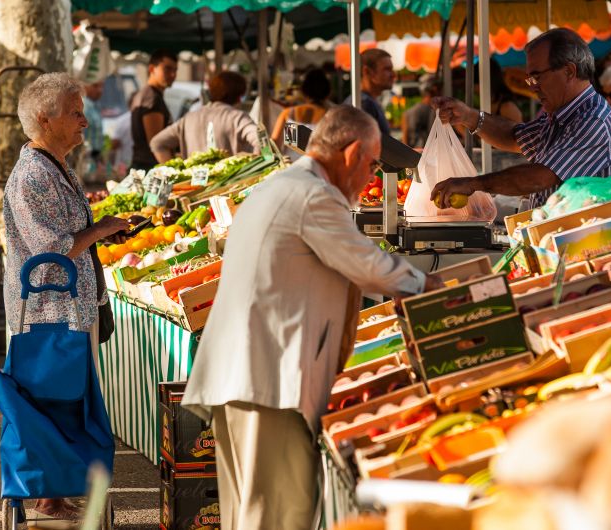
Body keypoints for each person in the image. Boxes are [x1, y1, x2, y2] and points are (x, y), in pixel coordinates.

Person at [182, 105, 443, 530]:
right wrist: (432, 287)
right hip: (267, 384)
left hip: (247, 378)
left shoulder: (281, 185)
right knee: (277, 517)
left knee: (251, 515)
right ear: (353, 152)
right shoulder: (314, 196)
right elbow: (368, 265)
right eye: (373, 164)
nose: (371, 176)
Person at [4, 72, 129, 519]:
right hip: (47, 312)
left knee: (68, 397)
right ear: (44, 118)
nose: (83, 120)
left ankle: (54, 491)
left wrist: (101, 232)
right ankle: (48, 496)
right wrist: (100, 229)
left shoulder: (56, 165)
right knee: (51, 399)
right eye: (74, 112)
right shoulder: (32, 175)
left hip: (70, 307)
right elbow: (51, 248)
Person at [431, 28, 611, 210]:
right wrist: (469, 116)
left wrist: (472, 184)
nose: (533, 86)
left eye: (537, 77)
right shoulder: (560, 117)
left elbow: (540, 177)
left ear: (569, 71)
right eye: (530, 79)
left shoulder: (593, 120)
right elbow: (514, 137)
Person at [151, 71, 260, 161]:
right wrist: (254, 165)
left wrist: (173, 173)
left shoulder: (188, 118)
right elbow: (260, 140)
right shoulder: (238, 118)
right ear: (239, 96)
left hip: (194, 185)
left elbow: (157, 143)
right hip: (233, 185)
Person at [130, 49, 178, 171]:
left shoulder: (147, 94)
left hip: (145, 167)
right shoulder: (151, 98)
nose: (172, 74)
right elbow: (155, 142)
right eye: (167, 69)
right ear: (152, 69)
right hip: (150, 169)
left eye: (175, 70)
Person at [271, 68, 332, 149]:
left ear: (303, 92)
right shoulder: (332, 117)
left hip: (292, 161)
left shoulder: (288, 113)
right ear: (328, 93)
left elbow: (273, 146)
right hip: (319, 161)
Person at [343, 48, 395, 135]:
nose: (393, 75)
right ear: (367, 71)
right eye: (387, 69)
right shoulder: (364, 103)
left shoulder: (365, 101)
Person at [401, 78, 440, 148]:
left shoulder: (407, 113)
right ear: (435, 90)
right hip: (431, 152)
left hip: (414, 153)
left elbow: (404, 139)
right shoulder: (436, 110)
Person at [82, 80, 104, 161]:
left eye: (102, 86)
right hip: (86, 158)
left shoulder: (95, 105)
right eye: (95, 86)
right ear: (84, 86)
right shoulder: (83, 106)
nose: (99, 90)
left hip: (93, 157)